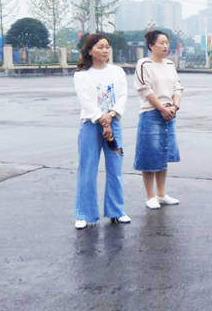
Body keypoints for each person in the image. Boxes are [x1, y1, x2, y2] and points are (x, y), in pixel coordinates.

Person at [72, 34, 130, 229]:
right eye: (100, 47)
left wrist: (111, 116)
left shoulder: (117, 72)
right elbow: (86, 100)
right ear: (90, 51)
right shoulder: (82, 75)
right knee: (87, 169)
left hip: (113, 122)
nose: (105, 50)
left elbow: (122, 96)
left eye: (107, 46)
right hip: (91, 124)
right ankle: (84, 214)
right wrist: (101, 119)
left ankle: (117, 211)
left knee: (115, 168)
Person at [133, 29, 184, 210]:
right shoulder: (144, 64)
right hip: (151, 114)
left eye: (167, 42)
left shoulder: (170, 64)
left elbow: (177, 87)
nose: (165, 46)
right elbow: (145, 89)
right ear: (151, 45)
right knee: (149, 155)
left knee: (163, 154)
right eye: (161, 43)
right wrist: (161, 108)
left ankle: (162, 194)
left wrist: (174, 106)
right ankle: (150, 196)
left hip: (169, 114)